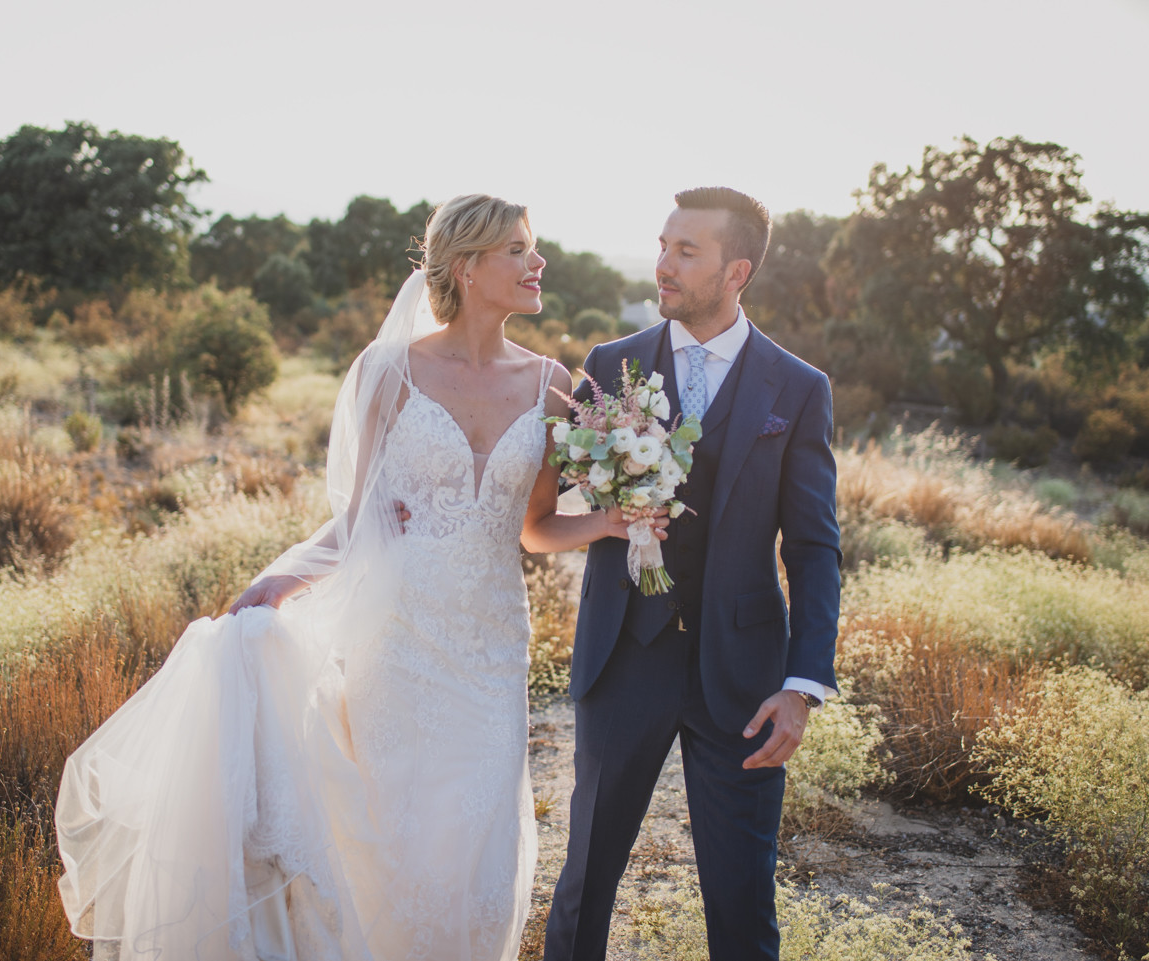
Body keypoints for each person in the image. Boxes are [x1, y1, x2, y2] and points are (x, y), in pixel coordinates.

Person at [55, 194, 664, 961]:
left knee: (476, 842)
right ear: (469, 268)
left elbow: (532, 526)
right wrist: (285, 581)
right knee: (392, 836)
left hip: (489, 645)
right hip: (399, 640)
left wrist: (605, 523)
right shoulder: (388, 373)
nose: (537, 262)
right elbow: (356, 518)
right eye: (519, 249)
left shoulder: (551, 387)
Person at [542, 187, 841, 961]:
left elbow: (813, 548)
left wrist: (803, 685)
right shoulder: (611, 365)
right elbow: (557, 499)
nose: (662, 265)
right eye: (663, 244)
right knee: (585, 885)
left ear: (736, 269)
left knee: (743, 902)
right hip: (623, 660)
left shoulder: (799, 388)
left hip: (743, 681)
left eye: (686, 251)